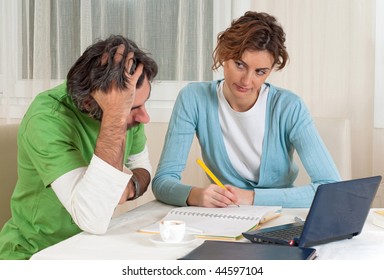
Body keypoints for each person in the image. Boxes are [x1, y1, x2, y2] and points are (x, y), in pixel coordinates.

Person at [152, 11, 341, 209]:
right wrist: (194, 195)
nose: (246, 81)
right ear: (225, 55)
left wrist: (251, 198)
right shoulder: (194, 98)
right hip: (225, 216)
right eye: (240, 65)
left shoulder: (289, 107)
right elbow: (163, 182)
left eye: (260, 72)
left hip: (280, 215)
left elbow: (331, 188)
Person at [0, 35, 158, 259]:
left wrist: (131, 186)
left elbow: (141, 166)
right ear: (88, 103)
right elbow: (91, 218)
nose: (145, 117)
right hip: (35, 254)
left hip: (89, 247)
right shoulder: (46, 118)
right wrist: (116, 116)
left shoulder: (127, 108)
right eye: (133, 108)